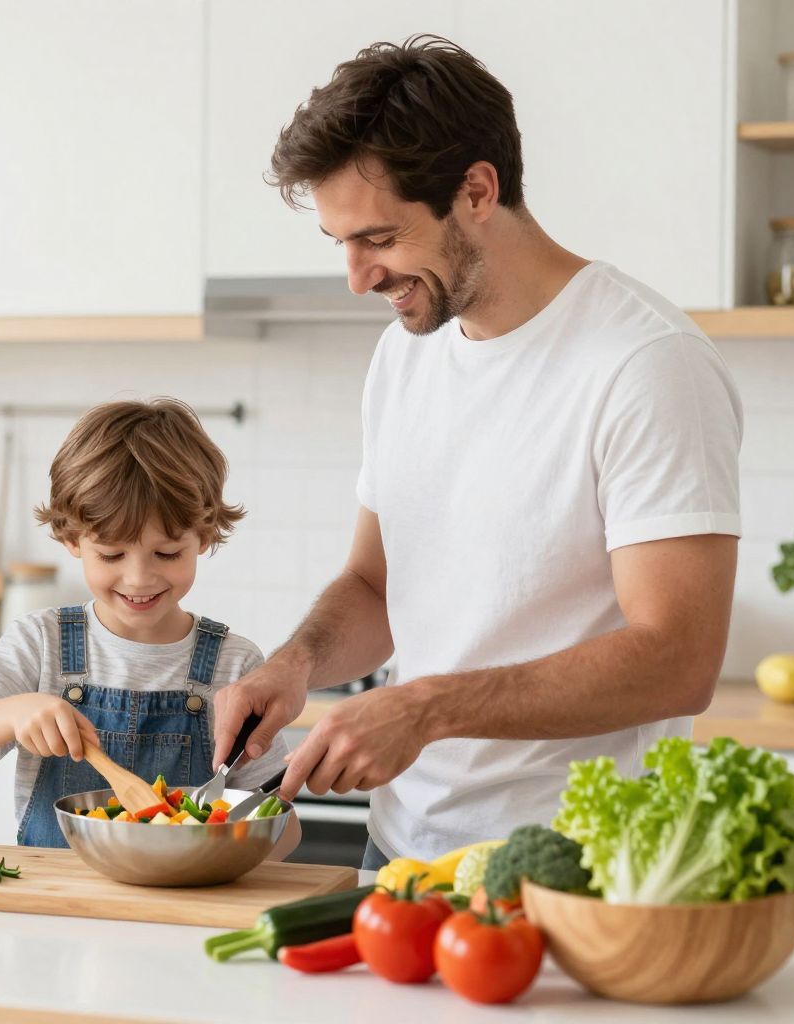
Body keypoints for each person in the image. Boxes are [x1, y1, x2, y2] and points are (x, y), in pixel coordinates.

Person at [210, 36, 743, 869]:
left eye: (379, 238)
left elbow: (678, 657)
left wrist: (424, 709)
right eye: (340, 243)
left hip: (577, 864)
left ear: (478, 191)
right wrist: (297, 662)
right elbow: (375, 585)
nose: (357, 277)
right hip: (402, 858)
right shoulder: (406, 353)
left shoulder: (646, 363)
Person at [0, 399, 301, 854]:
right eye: (112, 555)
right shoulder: (41, 643)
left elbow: (279, 824)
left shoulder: (234, 663)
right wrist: (14, 711)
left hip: (184, 906)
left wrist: (257, 828)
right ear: (70, 539)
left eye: (166, 554)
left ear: (202, 536)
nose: (139, 578)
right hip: (56, 905)